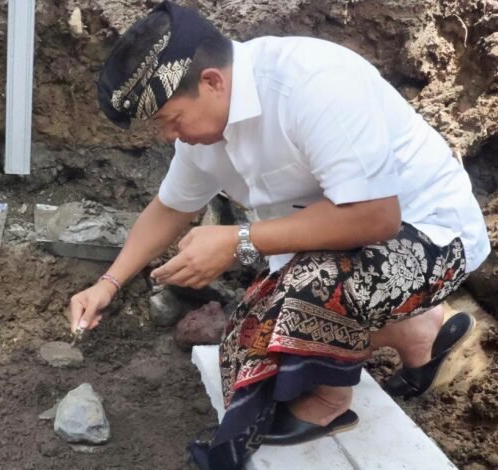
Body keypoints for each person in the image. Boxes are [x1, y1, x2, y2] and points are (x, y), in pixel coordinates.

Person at [67, 1, 490, 468]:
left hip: (430, 236)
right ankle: (423, 334)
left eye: (171, 119)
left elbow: (376, 217)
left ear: (212, 82)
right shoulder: (205, 132)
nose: (169, 136)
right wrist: (108, 283)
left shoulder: (312, 84)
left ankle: (329, 404)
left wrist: (238, 240)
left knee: (301, 300)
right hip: (343, 249)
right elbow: (171, 207)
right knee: (248, 345)